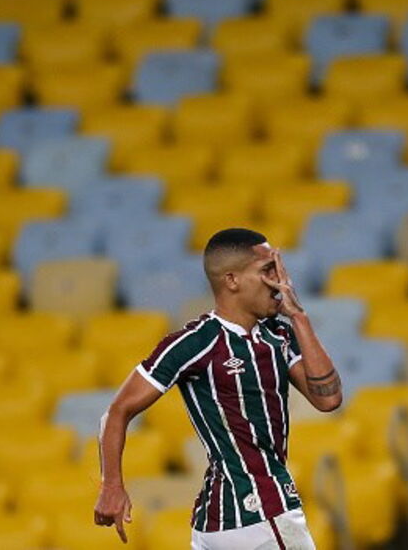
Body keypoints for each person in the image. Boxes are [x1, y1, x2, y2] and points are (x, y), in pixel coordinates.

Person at [94, 228, 342, 549]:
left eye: (278, 268)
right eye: (268, 270)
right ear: (232, 280)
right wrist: (111, 485)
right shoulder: (196, 342)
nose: (280, 280)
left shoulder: (279, 333)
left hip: (216, 523)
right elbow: (118, 410)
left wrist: (299, 317)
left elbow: (329, 398)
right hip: (262, 511)